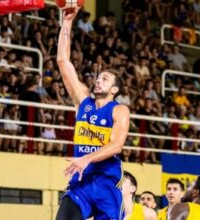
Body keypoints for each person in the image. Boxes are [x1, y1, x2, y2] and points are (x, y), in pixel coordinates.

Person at [55, 8, 130, 220]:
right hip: (82, 180)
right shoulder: (83, 101)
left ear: (115, 90)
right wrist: (67, 22)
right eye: (98, 78)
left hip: (107, 182)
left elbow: (116, 145)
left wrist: (85, 158)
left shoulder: (119, 110)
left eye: (105, 79)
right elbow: (63, 60)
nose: (98, 80)